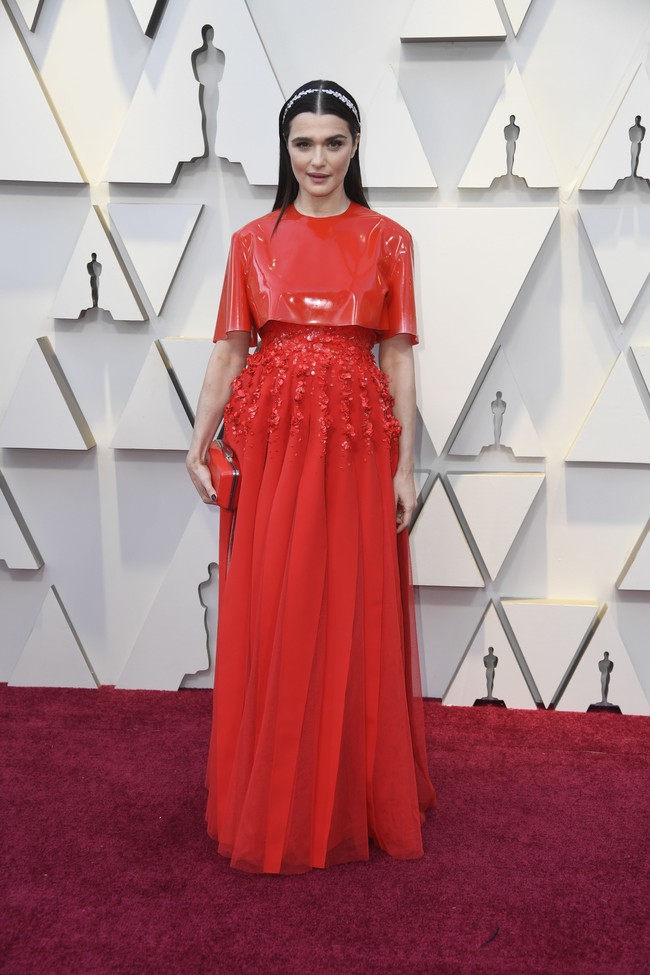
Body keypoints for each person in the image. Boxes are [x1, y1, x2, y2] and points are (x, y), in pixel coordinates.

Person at [186, 79, 435, 874]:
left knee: (350, 601)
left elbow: (396, 354)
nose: (318, 157)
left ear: (355, 147)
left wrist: (408, 464)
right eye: (303, 143)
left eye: (333, 142)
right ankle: (279, 789)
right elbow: (230, 349)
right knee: (276, 603)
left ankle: (349, 797)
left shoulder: (388, 238)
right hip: (270, 439)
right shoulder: (252, 240)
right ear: (284, 148)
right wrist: (197, 442)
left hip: (357, 440)